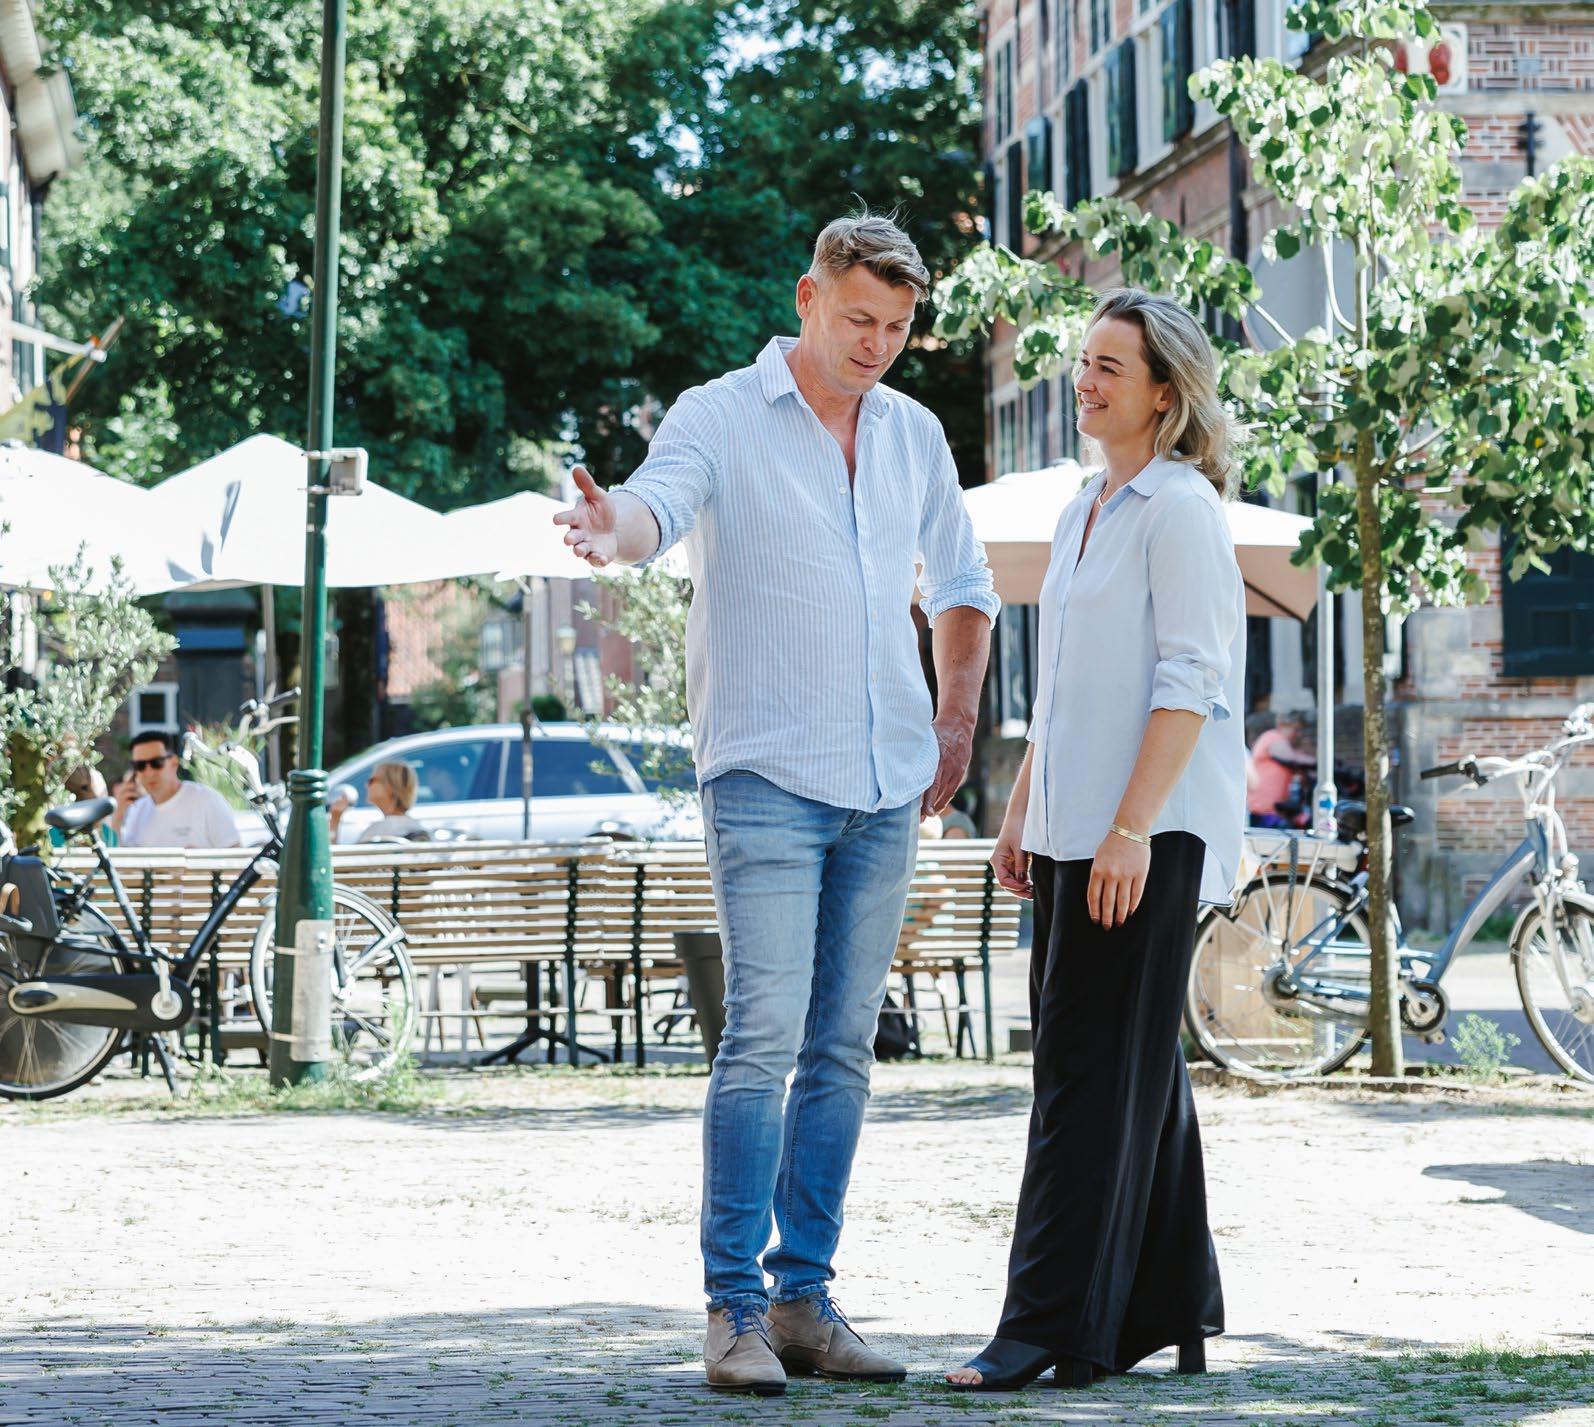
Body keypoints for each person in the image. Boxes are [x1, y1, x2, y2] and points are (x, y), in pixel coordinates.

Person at [555, 211, 998, 1396]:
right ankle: (733, 1310)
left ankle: (805, 1297)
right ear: (807, 297)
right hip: (764, 771)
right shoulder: (719, 414)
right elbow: (653, 504)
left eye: (896, 327)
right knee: (760, 1039)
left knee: (843, 1048)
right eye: (857, 318)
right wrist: (610, 527)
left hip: (886, 778)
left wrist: (955, 720)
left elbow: (964, 581)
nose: (876, 344)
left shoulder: (913, 432)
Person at [946, 289, 1244, 1392]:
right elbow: (1064, 690)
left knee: (1079, 1075)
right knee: (1128, 1065)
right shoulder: (1082, 508)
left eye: (1110, 366)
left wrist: (1128, 829)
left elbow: (1190, 682)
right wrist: (1023, 809)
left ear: (1165, 393)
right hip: (1076, 827)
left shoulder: (1181, 510)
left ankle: (1045, 1327)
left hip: (1143, 834)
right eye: (1083, 362)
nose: (1085, 380)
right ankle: (1172, 1302)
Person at [111, 730, 240, 849]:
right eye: (140, 765)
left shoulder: (206, 800)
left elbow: (237, 857)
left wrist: (199, 862)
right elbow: (122, 861)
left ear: (173, 762)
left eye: (156, 763)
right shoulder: (136, 810)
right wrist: (118, 816)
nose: (149, 772)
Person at [330, 761, 429, 843]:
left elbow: (338, 859)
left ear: (390, 786)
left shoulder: (378, 832)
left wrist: (335, 820)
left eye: (371, 780)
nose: (366, 785)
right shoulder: (418, 829)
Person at [1246, 710, 1315, 828]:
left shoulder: (1285, 744)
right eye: (1296, 729)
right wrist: (1318, 762)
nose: (1298, 734)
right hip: (1263, 812)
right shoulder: (1273, 737)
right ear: (1282, 726)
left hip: (1274, 811)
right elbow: (1292, 758)